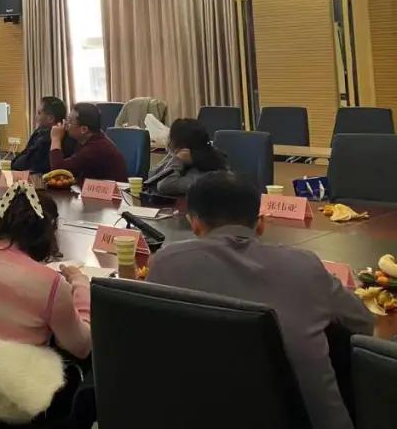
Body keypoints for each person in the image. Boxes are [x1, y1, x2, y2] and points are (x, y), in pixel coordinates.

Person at [148, 173, 372, 429]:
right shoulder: (305, 266)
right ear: (261, 224)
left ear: (195, 224)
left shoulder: (166, 264)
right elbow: (364, 324)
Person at [0, 182, 91, 359]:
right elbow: (81, 346)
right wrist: (81, 284)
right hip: (21, 374)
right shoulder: (50, 284)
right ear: (49, 229)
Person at [144, 118, 228, 197]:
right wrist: (174, 158)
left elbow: (164, 186)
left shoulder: (201, 172)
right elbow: (151, 176)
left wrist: (177, 160)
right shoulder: (181, 156)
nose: (168, 142)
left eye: (171, 138)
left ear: (182, 145)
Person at [49, 103, 128, 183]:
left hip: (112, 190)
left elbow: (58, 171)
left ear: (84, 129)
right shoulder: (88, 140)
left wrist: (55, 138)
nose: (65, 125)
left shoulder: (96, 148)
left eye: (70, 121)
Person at [12, 97, 76, 174]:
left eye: (39, 113)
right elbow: (25, 153)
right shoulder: (40, 131)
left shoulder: (47, 139)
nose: (36, 117)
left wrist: (15, 162)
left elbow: (22, 164)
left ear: (50, 118)